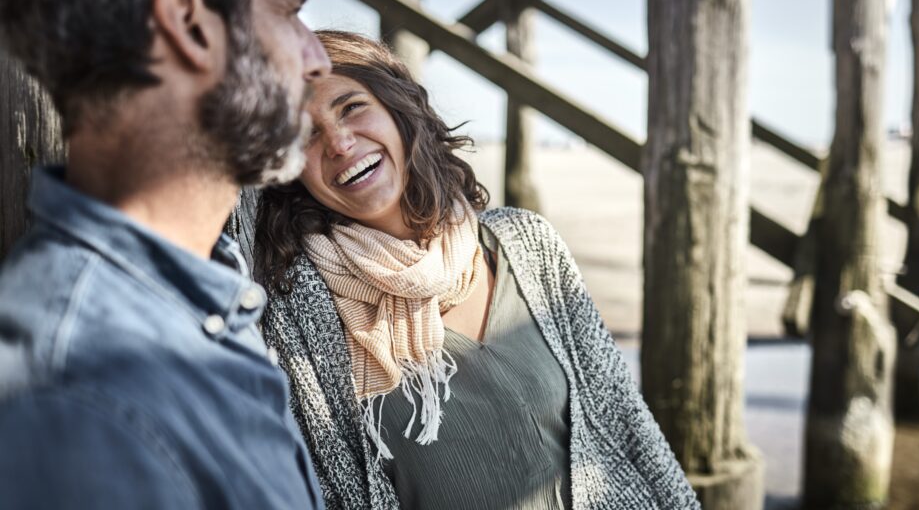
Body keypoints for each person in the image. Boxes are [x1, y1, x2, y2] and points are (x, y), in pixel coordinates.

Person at [254, 30, 700, 509]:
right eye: (305, 133)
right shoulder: (300, 310)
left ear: (398, 110)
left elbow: (624, 420)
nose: (339, 143)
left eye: (352, 107)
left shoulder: (528, 244)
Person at [0, 0, 331, 507]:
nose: (317, 59)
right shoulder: (83, 400)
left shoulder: (200, 292)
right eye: (289, 12)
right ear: (189, 24)